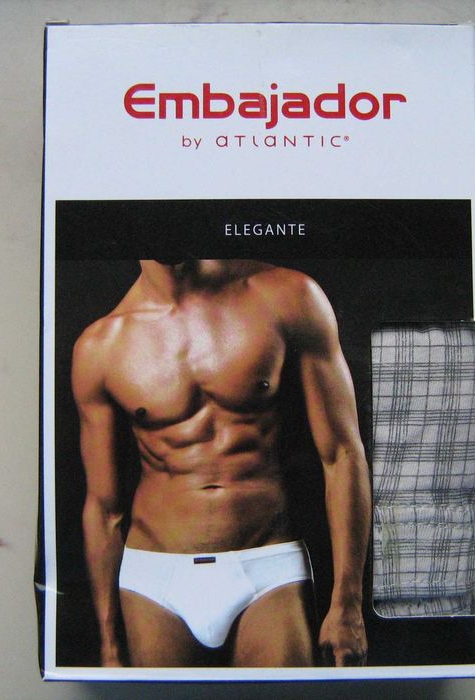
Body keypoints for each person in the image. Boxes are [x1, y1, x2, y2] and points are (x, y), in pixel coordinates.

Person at [71, 259, 370, 667]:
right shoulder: (100, 346)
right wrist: (109, 646)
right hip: (156, 580)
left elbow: (342, 454)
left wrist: (347, 604)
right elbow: (103, 508)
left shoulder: (286, 296)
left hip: (268, 566)